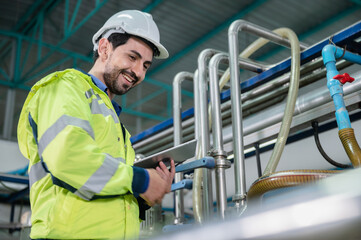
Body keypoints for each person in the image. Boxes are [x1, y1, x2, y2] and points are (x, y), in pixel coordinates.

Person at [17, 10, 175, 239]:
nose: (139, 72)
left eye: (146, 66)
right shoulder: (66, 87)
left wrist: (145, 195)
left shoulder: (117, 127)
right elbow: (68, 157)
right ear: (104, 49)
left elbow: (107, 188)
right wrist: (140, 179)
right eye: (133, 57)